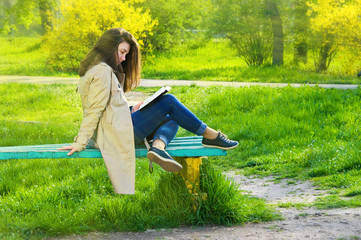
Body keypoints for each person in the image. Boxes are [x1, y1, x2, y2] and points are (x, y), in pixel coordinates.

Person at [58, 28, 238, 194]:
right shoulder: (102, 72)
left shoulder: (97, 69)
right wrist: (80, 142)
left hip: (115, 129)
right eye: (122, 52)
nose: (123, 58)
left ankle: (158, 148)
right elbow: (94, 110)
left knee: (172, 116)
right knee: (169, 101)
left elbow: (107, 107)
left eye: (126, 54)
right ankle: (211, 136)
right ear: (108, 48)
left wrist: (131, 108)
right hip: (114, 135)